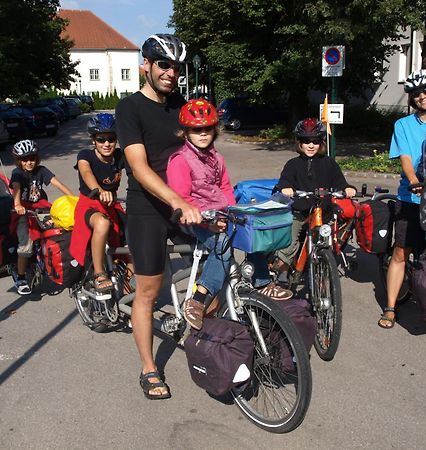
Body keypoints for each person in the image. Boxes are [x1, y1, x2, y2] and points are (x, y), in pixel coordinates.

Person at [115, 34, 202, 400]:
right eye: (164, 65)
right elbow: (138, 166)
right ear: (145, 66)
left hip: (184, 203)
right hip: (147, 207)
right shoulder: (129, 108)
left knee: (214, 264)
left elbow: (201, 151)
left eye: (176, 67)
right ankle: (149, 368)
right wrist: (175, 199)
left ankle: (193, 323)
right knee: (149, 291)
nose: (171, 73)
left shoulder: (181, 105)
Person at [167, 98, 293, 331]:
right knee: (223, 244)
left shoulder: (216, 158)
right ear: (186, 132)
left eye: (207, 129)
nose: (203, 134)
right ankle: (198, 298)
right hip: (194, 218)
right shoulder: (180, 161)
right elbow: (183, 198)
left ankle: (262, 281)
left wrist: (235, 212)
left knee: (252, 229)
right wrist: (208, 221)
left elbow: (225, 187)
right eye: (197, 129)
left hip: (221, 213)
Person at [379, 69, 426, 329]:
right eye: (416, 93)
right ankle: (390, 307)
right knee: (401, 252)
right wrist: (413, 181)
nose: (422, 96)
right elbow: (406, 158)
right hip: (412, 197)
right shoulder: (403, 125)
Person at [272, 118, 356, 284]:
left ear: (321, 143)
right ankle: (282, 270)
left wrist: (347, 188)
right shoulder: (293, 164)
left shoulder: (329, 163)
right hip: (300, 211)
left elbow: (339, 182)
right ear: (299, 143)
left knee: (331, 238)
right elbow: (285, 181)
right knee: (289, 241)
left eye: (315, 141)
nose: (311, 145)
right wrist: (286, 188)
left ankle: (324, 264)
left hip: (323, 211)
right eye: (306, 141)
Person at [69, 113, 126, 292]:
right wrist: (99, 190)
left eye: (111, 138)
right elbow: (86, 172)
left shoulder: (119, 155)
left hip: (112, 206)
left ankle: (130, 289)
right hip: (90, 204)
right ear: (93, 140)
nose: (107, 144)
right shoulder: (85, 155)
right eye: (101, 139)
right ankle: (99, 273)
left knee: (139, 230)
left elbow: (138, 168)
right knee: (102, 223)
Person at [9, 139, 73, 295]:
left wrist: (73, 198)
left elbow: (58, 184)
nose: (29, 162)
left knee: (59, 229)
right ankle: (21, 278)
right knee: (26, 245)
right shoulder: (17, 173)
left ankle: (58, 263)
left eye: (32, 158)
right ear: (19, 161)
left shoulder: (42, 170)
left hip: (41, 208)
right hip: (24, 210)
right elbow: (16, 189)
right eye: (25, 159)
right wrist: (18, 205)